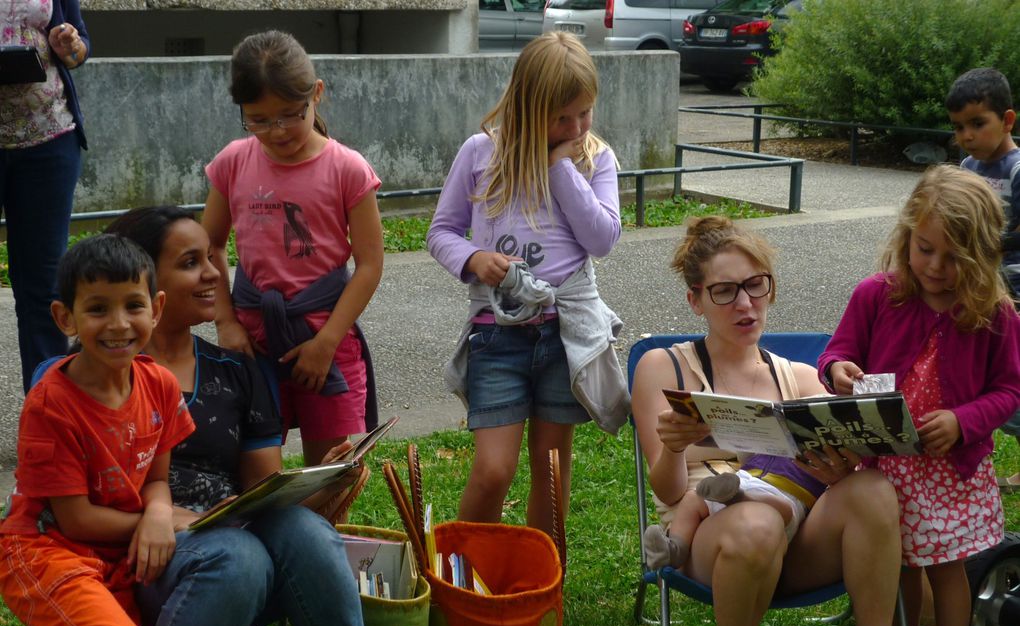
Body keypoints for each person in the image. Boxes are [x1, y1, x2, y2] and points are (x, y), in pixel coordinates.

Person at [631, 215, 916, 626]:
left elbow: (830, 485)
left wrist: (839, 471)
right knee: (756, 520)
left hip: (795, 537)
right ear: (695, 300)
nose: (746, 304)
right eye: (725, 291)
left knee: (874, 490)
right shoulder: (663, 367)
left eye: (756, 285)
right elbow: (669, 493)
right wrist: (673, 445)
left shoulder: (802, 379)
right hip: (708, 542)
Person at [105, 206, 378, 626]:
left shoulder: (235, 367)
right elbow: (79, 497)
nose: (212, 274)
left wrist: (321, 486)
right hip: (140, 551)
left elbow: (261, 483)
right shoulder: (97, 372)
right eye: (190, 263)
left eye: (213, 258)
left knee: (308, 535)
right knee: (239, 558)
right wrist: (169, 519)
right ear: (144, 280)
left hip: (231, 532)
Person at [818, 165, 1020, 626]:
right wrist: (838, 372)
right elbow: (835, 355)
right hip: (885, 469)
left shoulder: (994, 313)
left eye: (953, 257)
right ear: (907, 235)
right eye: (924, 249)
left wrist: (964, 420)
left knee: (947, 571)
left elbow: (1009, 390)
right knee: (899, 567)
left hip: (949, 471)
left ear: (981, 256)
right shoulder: (875, 295)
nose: (935, 267)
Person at [0, 235, 195, 626]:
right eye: (97, 309)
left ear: (155, 310)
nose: (118, 324)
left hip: (113, 557)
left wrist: (159, 511)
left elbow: (156, 479)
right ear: (65, 317)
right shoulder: (51, 405)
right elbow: (76, 518)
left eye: (133, 305)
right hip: (42, 552)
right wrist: (153, 524)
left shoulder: (159, 386)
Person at [427, 31, 627, 536]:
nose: (577, 126)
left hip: (564, 335)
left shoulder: (593, 159)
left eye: (585, 113)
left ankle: (542, 585)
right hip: (497, 334)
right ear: (526, 104)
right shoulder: (480, 153)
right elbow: (441, 232)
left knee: (552, 469)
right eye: (563, 116)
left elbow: (601, 238)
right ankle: (464, 578)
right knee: (495, 469)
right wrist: (472, 258)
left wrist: (562, 167)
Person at [202, 30, 384, 467]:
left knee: (328, 476)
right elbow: (208, 244)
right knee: (257, 474)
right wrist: (226, 322)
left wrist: (326, 343)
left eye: (289, 115)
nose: (276, 131)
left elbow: (370, 265)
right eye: (259, 120)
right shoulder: (233, 162)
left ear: (316, 94)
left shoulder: (347, 169)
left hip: (326, 338)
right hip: (252, 342)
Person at [1, 1, 89, 392]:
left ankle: (49, 417)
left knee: (44, 288)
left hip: (49, 140)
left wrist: (68, 43)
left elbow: (79, 48)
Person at [945, 68, 1020, 490]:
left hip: (1014, 288)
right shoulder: (968, 166)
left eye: (978, 124)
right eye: (959, 127)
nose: (967, 136)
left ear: (1007, 120)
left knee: (1013, 376)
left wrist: (985, 244)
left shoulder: (1016, 168)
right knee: (979, 375)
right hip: (977, 287)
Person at [642, 453, 825, 569]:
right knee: (693, 498)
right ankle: (674, 548)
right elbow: (743, 453)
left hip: (789, 495)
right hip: (744, 480)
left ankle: (738, 498)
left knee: (782, 510)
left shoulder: (829, 460)